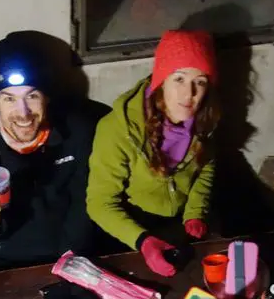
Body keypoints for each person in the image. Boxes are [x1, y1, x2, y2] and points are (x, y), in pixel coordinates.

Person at [0, 32, 102, 270]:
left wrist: (70, 260)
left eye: (31, 96)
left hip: (66, 257)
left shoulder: (77, 131)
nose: (23, 113)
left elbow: (84, 206)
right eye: (9, 99)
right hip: (2, 264)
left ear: (46, 97)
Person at [87, 30, 219, 276]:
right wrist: (142, 241)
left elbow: (206, 165)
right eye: (178, 79)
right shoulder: (119, 129)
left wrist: (195, 211)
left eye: (199, 82)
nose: (189, 94)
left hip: (180, 223)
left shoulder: (205, 119)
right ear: (161, 80)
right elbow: (100, 203)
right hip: (132, 229)